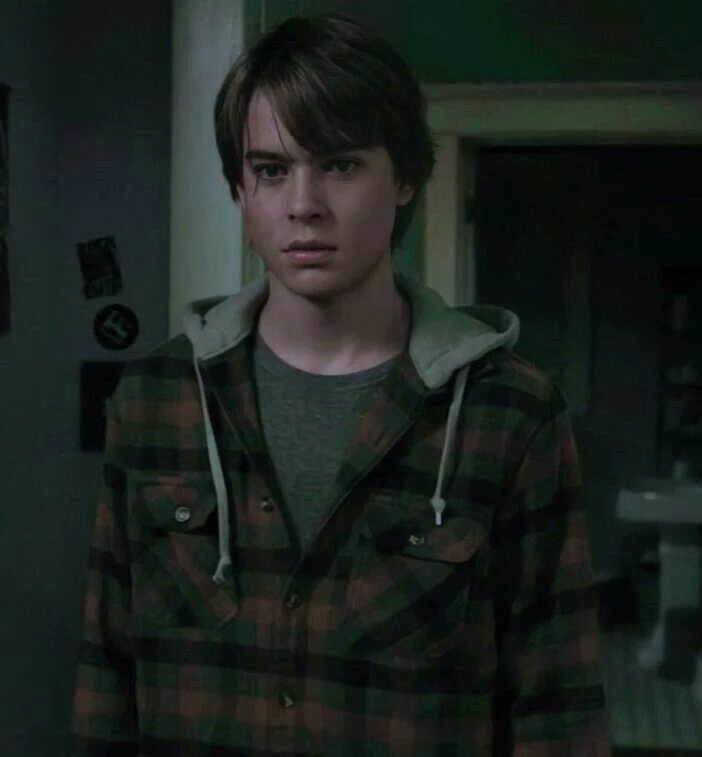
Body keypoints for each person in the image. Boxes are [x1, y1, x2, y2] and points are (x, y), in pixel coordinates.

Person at [70, 13, 611, 756]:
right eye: (271, 170)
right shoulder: (157, 400)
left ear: (405, 178)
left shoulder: (508, 411)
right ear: (239, 189)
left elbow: (557, 710)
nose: (303, 205)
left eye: (340, 165)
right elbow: (107, 679)